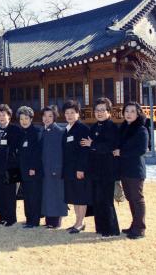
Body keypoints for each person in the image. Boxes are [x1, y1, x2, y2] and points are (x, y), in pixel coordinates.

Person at [80, 98, 120, 237]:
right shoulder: (94, 127)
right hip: (95, 170)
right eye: (97, 110)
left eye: (103, 110)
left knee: (106, 201)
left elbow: (109, 146)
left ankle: (111, 230)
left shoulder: (112, 127)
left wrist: (93, 145)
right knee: (96, 200)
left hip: (107, 170)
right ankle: (100, 228)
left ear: (109, 112)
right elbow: (88, 146)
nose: (99, 113)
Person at [115, 101, 149, 239]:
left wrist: (120, 152)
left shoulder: (141, 129)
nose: (129, 114)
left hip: (135, 170)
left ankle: (140, 228)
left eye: (132, 111)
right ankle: (134, 225)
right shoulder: (123, 127)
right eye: (127, 111)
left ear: (138, 113)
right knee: (130, 198)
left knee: (137, 199)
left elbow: (141, 150)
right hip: (125, 170)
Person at [62, 100, 91, 234]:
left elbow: (84, 151)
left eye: (72, 113)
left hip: (79, 170)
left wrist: (81, 169)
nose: (69, 115)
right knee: (74, 196)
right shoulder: (67, 129)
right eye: (67, 113)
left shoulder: (82, 129)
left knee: (81, 197)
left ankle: (80, 223)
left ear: (78, 114)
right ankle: (77, 222)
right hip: (69, 170)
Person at [0, 104, 20, 227]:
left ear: (9, 116)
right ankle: (2, 217)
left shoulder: (15, 130)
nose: (2, 117)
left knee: (10, 194)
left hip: (11, 167)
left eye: (4, 115)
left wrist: (1, 149)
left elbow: (14, 148)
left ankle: (11, 218)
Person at [40, 106, 68, 229]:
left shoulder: (60, 131)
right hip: (44, 169)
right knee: (47, 195)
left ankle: (57, 222)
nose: (47, 118)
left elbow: (61, 153)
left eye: (50, 116)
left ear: (55, 117)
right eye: (45, 116)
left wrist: (57, 168)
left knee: (57, 195)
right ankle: (49, 220)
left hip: (55, 169)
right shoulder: (42, 131)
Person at [16, 106, 43, 228]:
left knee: (34, 196)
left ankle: (34, 220)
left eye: (26, 118)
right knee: (26, 195)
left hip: (33, 170)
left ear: (31, 119)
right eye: (21, 119)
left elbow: (37, 153)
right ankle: (28, 218)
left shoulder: (36, 132)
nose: (24, 121)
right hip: (22, 170)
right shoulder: (20, 133)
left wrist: (33, 168)